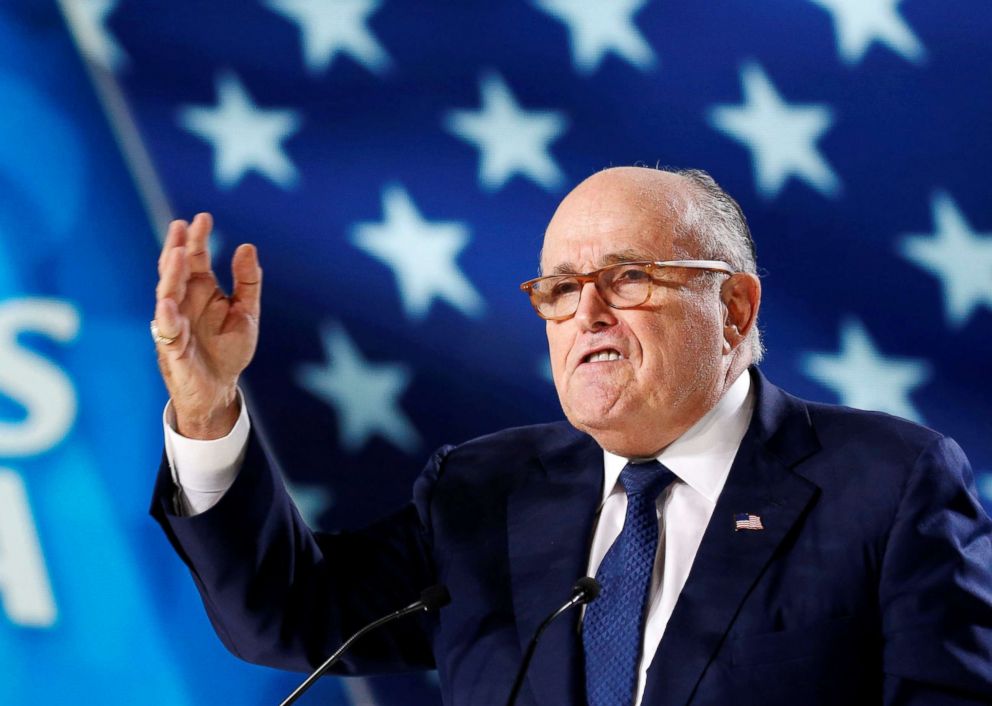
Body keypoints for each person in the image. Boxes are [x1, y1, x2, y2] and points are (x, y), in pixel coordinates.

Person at [150, 167, 992, 706]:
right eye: (557, 289)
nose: (586, 313)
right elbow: (289, 617)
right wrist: (207, 402)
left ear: (733, 309)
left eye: (626, 278)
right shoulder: (487, 492)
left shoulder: (887, 484)